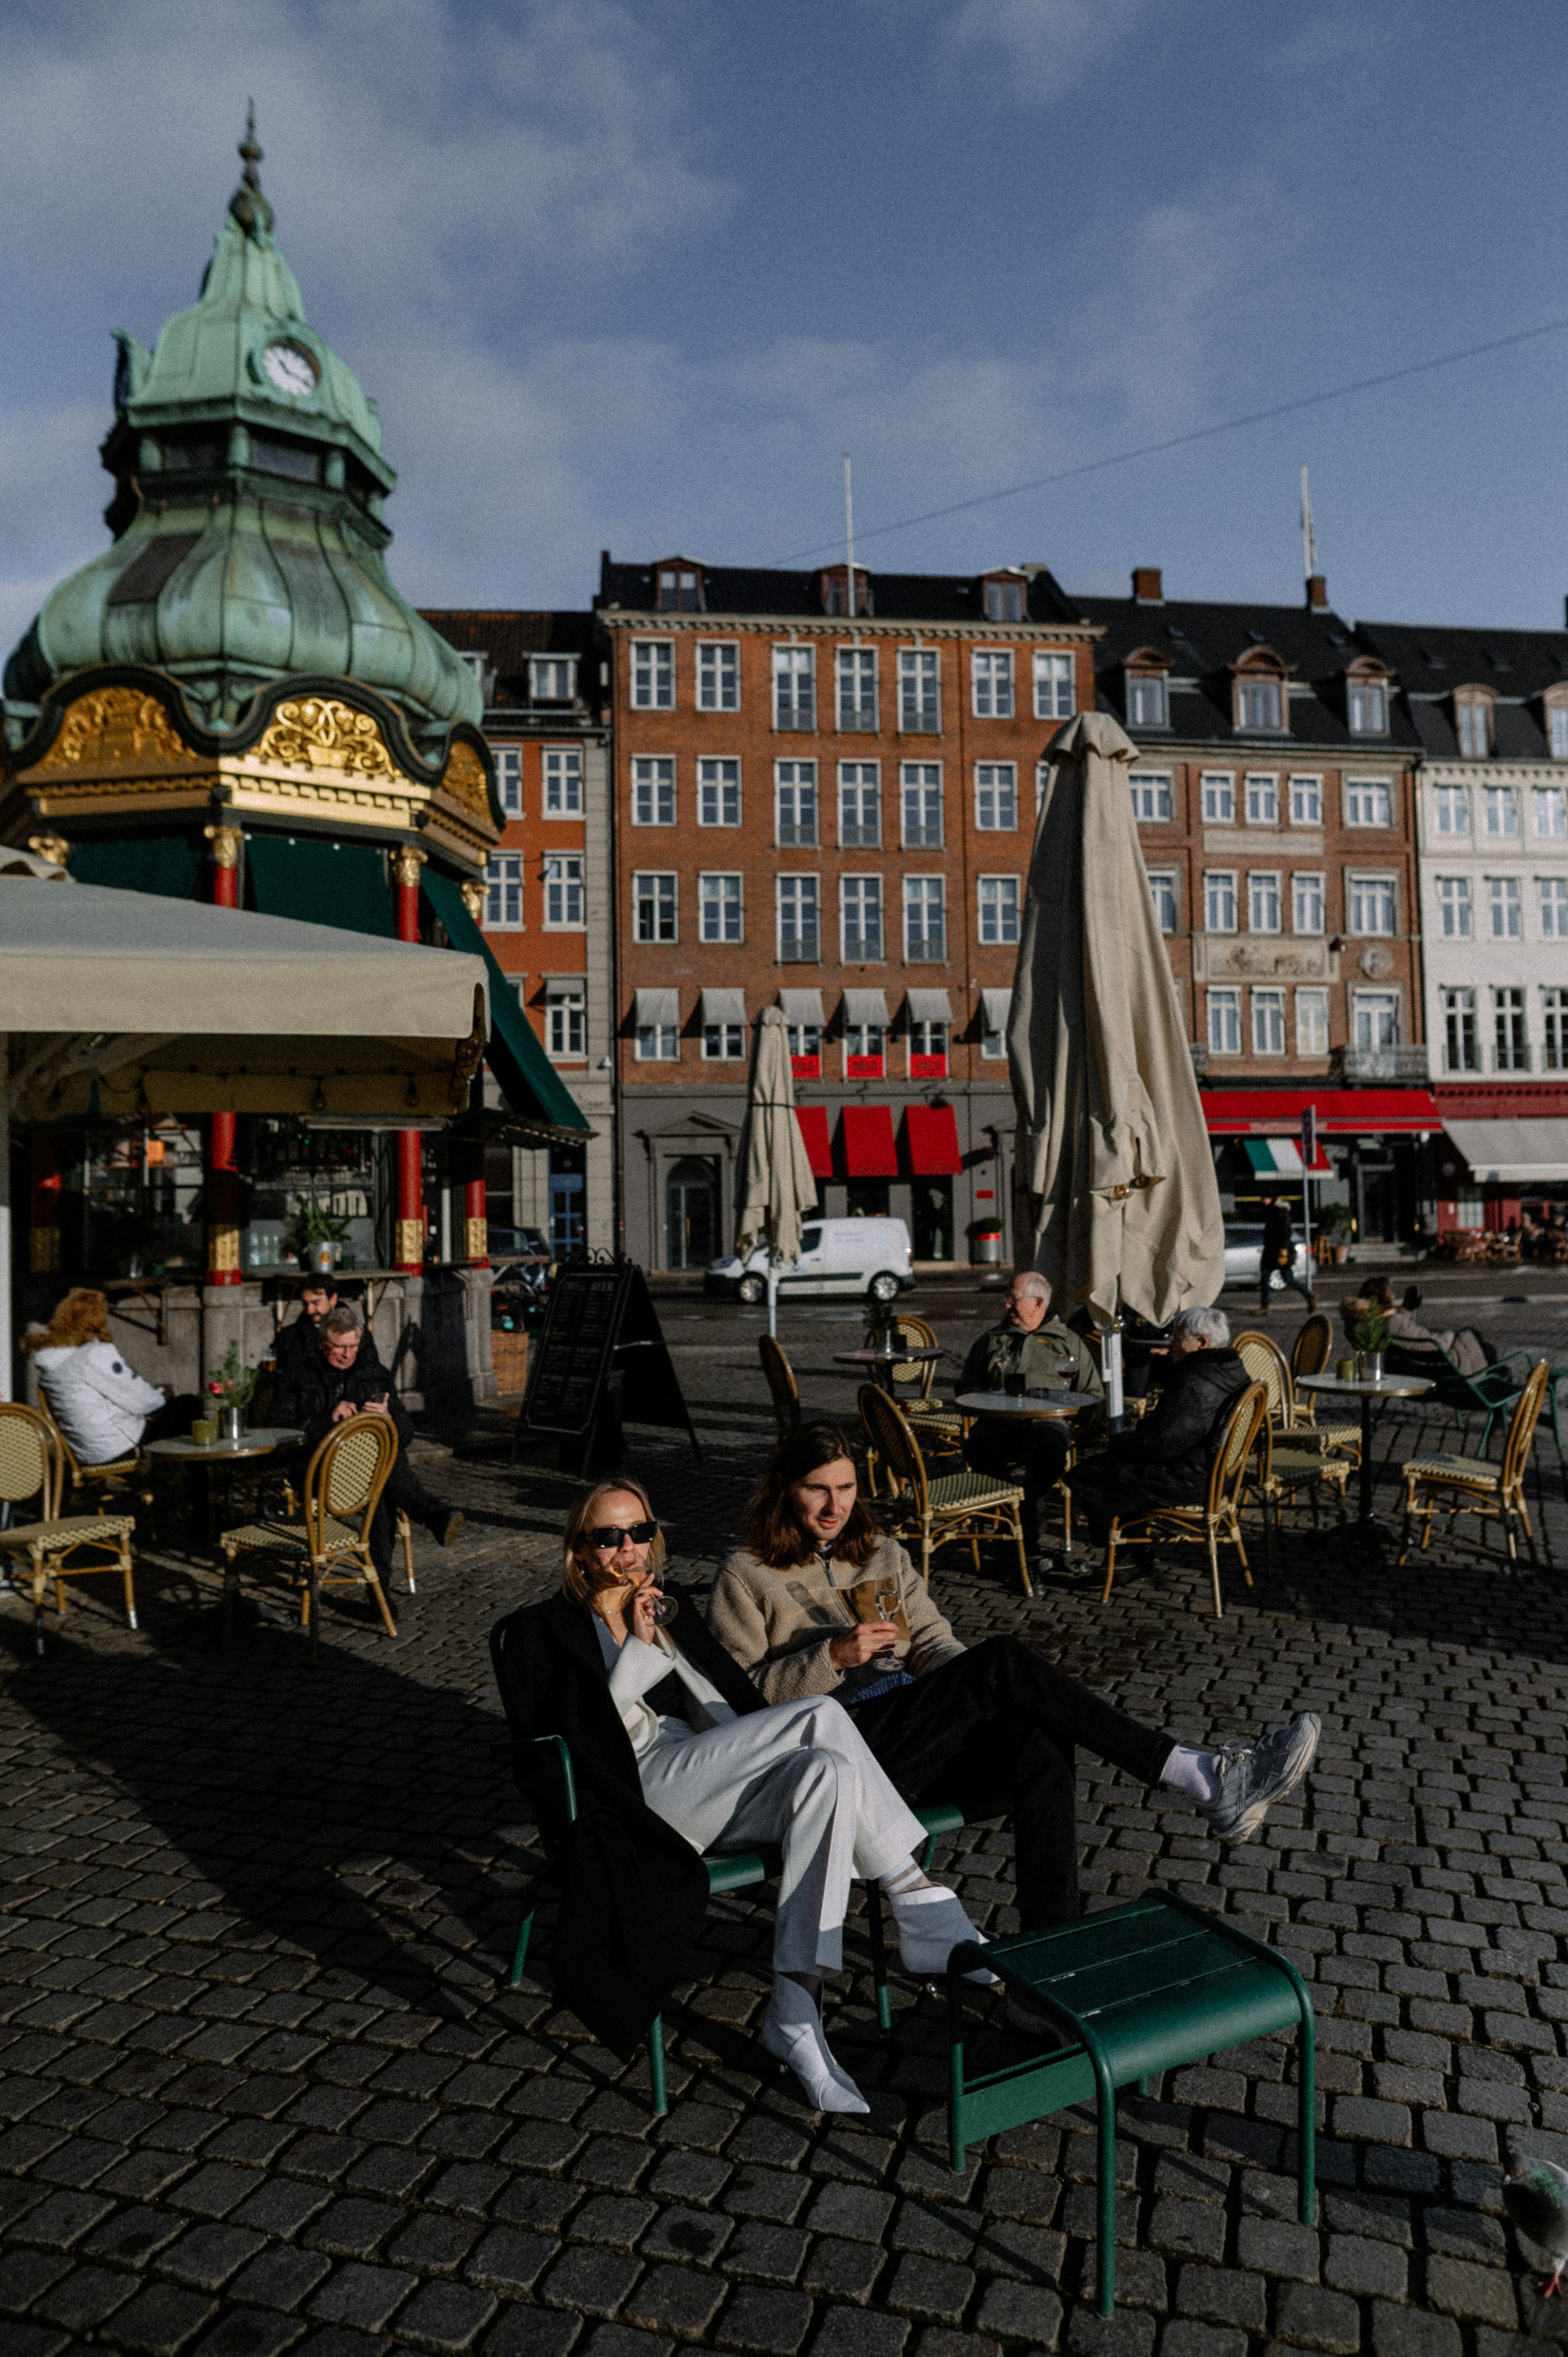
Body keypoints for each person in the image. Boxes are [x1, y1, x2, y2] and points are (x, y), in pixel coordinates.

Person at [708, 1420, 1319, 1968]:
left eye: (845, 1488)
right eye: (818, 1488)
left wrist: (970, 1690)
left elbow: (932, 1642)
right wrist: (831, 1657)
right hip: (839, 1750)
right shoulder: (747, 1573)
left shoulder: (881, 1554)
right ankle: (1198, 1774)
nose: (835, 1505)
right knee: (1001, 1657)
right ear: (786, 1486)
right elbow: (738, 1707)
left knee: (1038, 1736)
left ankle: (1052, 1952)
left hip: (914, 1736)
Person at [489, 1476, 994, 2111]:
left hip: (701, 1778)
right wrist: (641, 1653)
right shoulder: (547, 1629)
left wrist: (676, 1649)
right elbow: (580, 1739)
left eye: (640, 1531)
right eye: (608, 1536)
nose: (628, 1548)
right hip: (630, 1791)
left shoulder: (671, 1606)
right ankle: (914, 1892)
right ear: (580, 1549)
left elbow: (732, 1707)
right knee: (820, 1716)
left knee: (826, 1773)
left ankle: (794, 2006)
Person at [271, 1305, 462, 1599]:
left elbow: (407, 1433)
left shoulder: (376, 1375)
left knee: (381, 1488)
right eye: (340, 1347)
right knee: (381, 1477)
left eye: (354, 1346)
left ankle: (379, 1591)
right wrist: (326, 1419)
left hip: (366, 1471)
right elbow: (278, 1428)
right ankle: (429, 1514)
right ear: (323, 1344)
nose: (348, 1354)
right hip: (316, 1468)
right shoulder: (298, 1374)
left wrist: (388, 1418)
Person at [1066, 1306, 1253, 1544]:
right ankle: (1130, 1553)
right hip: (1218, 1475)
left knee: (1094, 1472)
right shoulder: (1231, 1369)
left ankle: (1117, 1551)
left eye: (1178, 1339)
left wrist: (1119, 1442)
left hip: (1190, 1481)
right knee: (1118, 1468)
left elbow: (1161, 1444)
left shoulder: (1194, 1384)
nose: (1171, 1344)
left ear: (1203, 1343)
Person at [955, 1272, 1102, 1547]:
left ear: (1037, 1303)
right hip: (1001, 1423)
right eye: (1007, 1299)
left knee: (1050, 1450)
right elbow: (966, 1387)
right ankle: (1015, 1507)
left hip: (1047, 1424)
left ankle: (1027, 1510)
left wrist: (1076, 1414)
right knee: (976, 1446)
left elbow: (1093, 1394)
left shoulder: (1067, 1342)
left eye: (1013, 1300)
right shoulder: (993, 1339)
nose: (1007, 1306)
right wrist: (981, 1398)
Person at [24, 1289, 202, 1465]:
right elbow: (141, 1401)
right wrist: (162, 1396)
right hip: (117, 1446)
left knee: (176, 1413)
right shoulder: (93, 1355)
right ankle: (209, 1479)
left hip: (85, 1451)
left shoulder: (54, 1362)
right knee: (188, 1405)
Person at [1348, 1277, 1494, 1378]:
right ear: (1386, 1298)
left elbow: (1406, 1336)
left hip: (1411, 1371)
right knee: (1476, 1340)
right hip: (1439, 1372)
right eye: (1391, 1292)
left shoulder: (1371, 1325)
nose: (1394, 1294)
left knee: (1478, 1346)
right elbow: (1438, 1345)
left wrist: (1406, 1310)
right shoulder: (1393, 1323)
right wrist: (1451, 1334)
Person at [274, 1277, 384, 1381]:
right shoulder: (290, 1336)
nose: (309, 1310)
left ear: (333, 1300)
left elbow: (371, 1375)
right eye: (305, 1303)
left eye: (316, 1303)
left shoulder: (357, 1334)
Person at [1258, 1193, 1313, 1313]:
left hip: (1278, 1251)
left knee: (1284, 1278)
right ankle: (1309, 1296)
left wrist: (1283, 1250)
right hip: (1272, 1249)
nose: (1263, 1200)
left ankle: (1265, 1306)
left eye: (1265, 1198)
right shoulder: (1269, 1211)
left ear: (1271, 1198)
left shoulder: (1280, 1211)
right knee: (1272, 1277)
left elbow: (1286, 1231)